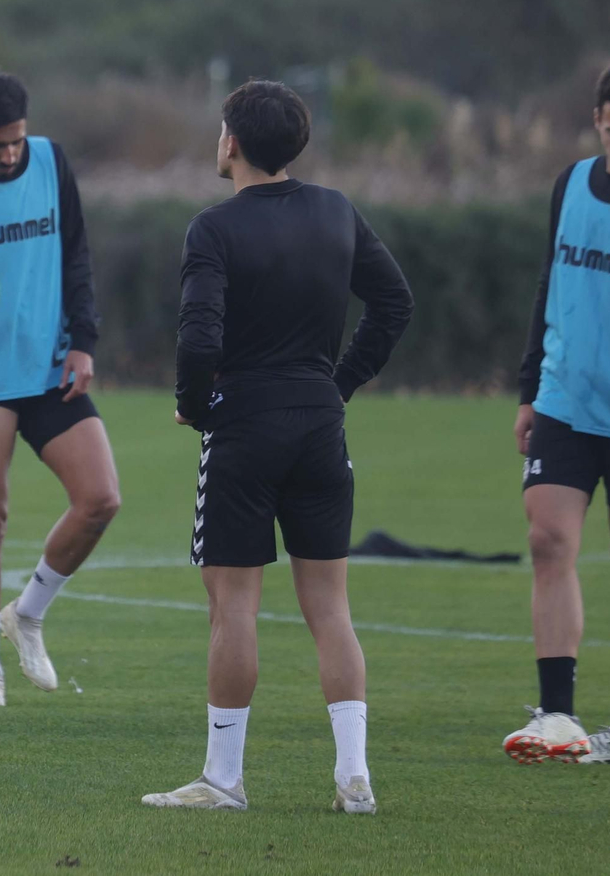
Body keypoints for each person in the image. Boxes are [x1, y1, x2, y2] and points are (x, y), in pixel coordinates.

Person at [141, 80, 412, 813]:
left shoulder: (213, 228)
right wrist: (338, 384)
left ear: (230, 142)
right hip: (321, 427)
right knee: (331, 607)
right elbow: (395, 302)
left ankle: (224, 779)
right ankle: (354, 776)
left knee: (233, 606)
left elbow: (199, 336)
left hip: (245, 428)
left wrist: (194, 405)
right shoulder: (336, 210)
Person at [0, 73, 120, 707]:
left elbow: (77, 254)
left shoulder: (51, 161)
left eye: (16, 141)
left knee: (100, 499)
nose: (9, 155)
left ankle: (28, 613)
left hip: (50, 367)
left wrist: (84, 340)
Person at [507, 61, 610, 766]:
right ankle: (556, 714)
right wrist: (529, 389)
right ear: (599, 117)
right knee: (547, 540)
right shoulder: (570, 184)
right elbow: (551, 281)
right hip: (565, 402)